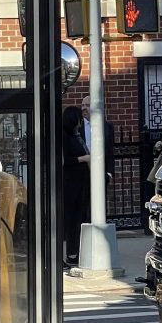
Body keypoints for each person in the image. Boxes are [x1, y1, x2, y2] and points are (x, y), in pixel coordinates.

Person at [62, 105, 90, 268]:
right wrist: (83, 159)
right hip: (71, 183)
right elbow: (66, 160)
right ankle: (71, 252)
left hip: (81, 182)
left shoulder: (76, 135)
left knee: (80, 217)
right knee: (72, 218)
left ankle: (76, 251)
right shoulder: (66, 137)